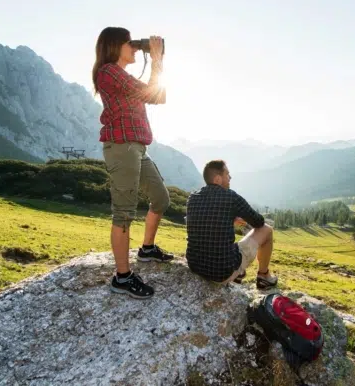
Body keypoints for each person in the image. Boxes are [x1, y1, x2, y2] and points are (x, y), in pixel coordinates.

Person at [92, 27, 174, 300]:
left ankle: (147, 249)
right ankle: (122, 277)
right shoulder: (108, 72)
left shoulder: (121, 75)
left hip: (137, 147)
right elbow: (153, 94)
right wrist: (158, 58)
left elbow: (158, 96)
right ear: (114, 46)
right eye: (130, 43)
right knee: (124, 213)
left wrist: (155, 58)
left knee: (161, 199)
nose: (135, 47)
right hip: (122, 147)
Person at [185, 160, 278, 289]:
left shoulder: (192, 198)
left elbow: (207, 222)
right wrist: (238, 214)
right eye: (227, 174)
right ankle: (264, 277)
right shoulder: (231, 197)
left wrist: (231, 217)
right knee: (267, 230)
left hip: (195, 266)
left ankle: (239, 274)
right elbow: (258, 222)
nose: (230, 177)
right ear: (218, 179)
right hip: (220, 274)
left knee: (225, 244)